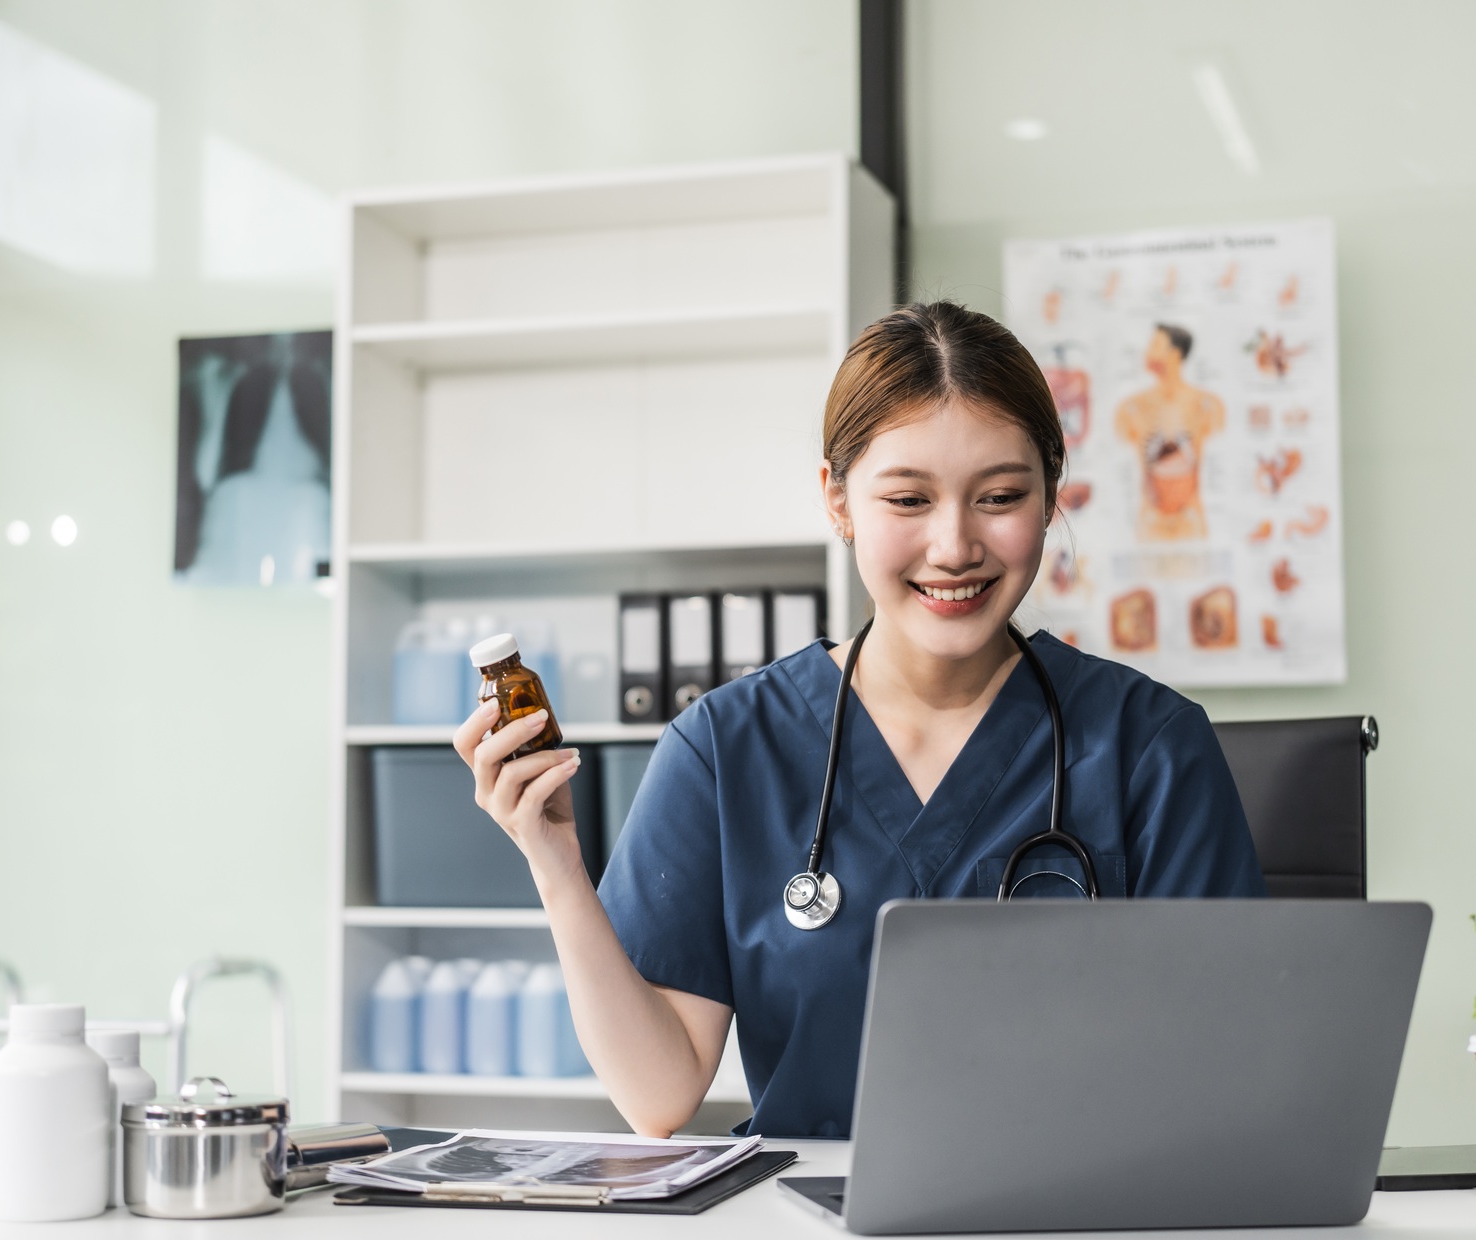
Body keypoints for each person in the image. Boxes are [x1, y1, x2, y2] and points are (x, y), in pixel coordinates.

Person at [453, 302, 1264, 1140]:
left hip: (1073, 1239)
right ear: (838, 503)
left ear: (1052, 496)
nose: (953, 545)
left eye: (1000, 496)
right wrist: (555, 865)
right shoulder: (727, 748)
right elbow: (658, 1096)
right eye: (908, 498)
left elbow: (1226, 1068)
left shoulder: (1151, 747)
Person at [1114, 323, 1226, 542]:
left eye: (1155, 345)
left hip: (1191, 521)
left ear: (1175, 354)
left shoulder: (1207, 405)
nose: (1147, 353)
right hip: (1150, 522)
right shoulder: (1132, 407)